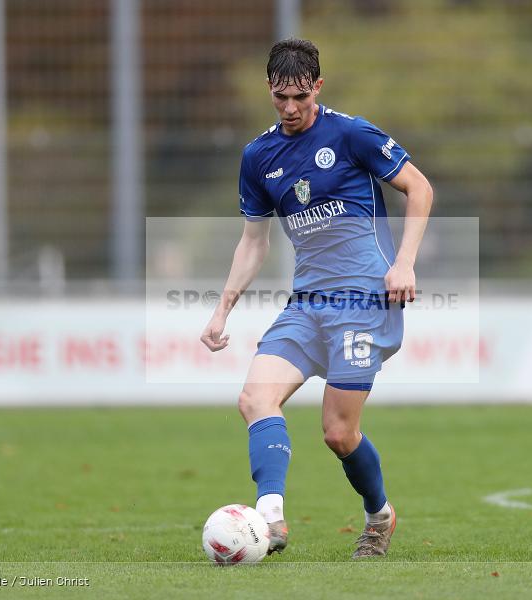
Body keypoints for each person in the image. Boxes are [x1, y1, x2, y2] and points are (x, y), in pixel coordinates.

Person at [201, 38, 432, 559]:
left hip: (363, 301)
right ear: (269, 89)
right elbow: (254, 241)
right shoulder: (259, 156)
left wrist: (405, 262)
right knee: (254, 398)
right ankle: (271, 517)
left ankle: (379, 516)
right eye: (280, 97)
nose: (289, 108)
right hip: (306, 304)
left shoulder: (350, 134)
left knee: (338, 432)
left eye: (300, 97)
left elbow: (419, 188)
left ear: (318, 88)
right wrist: (221, 309)